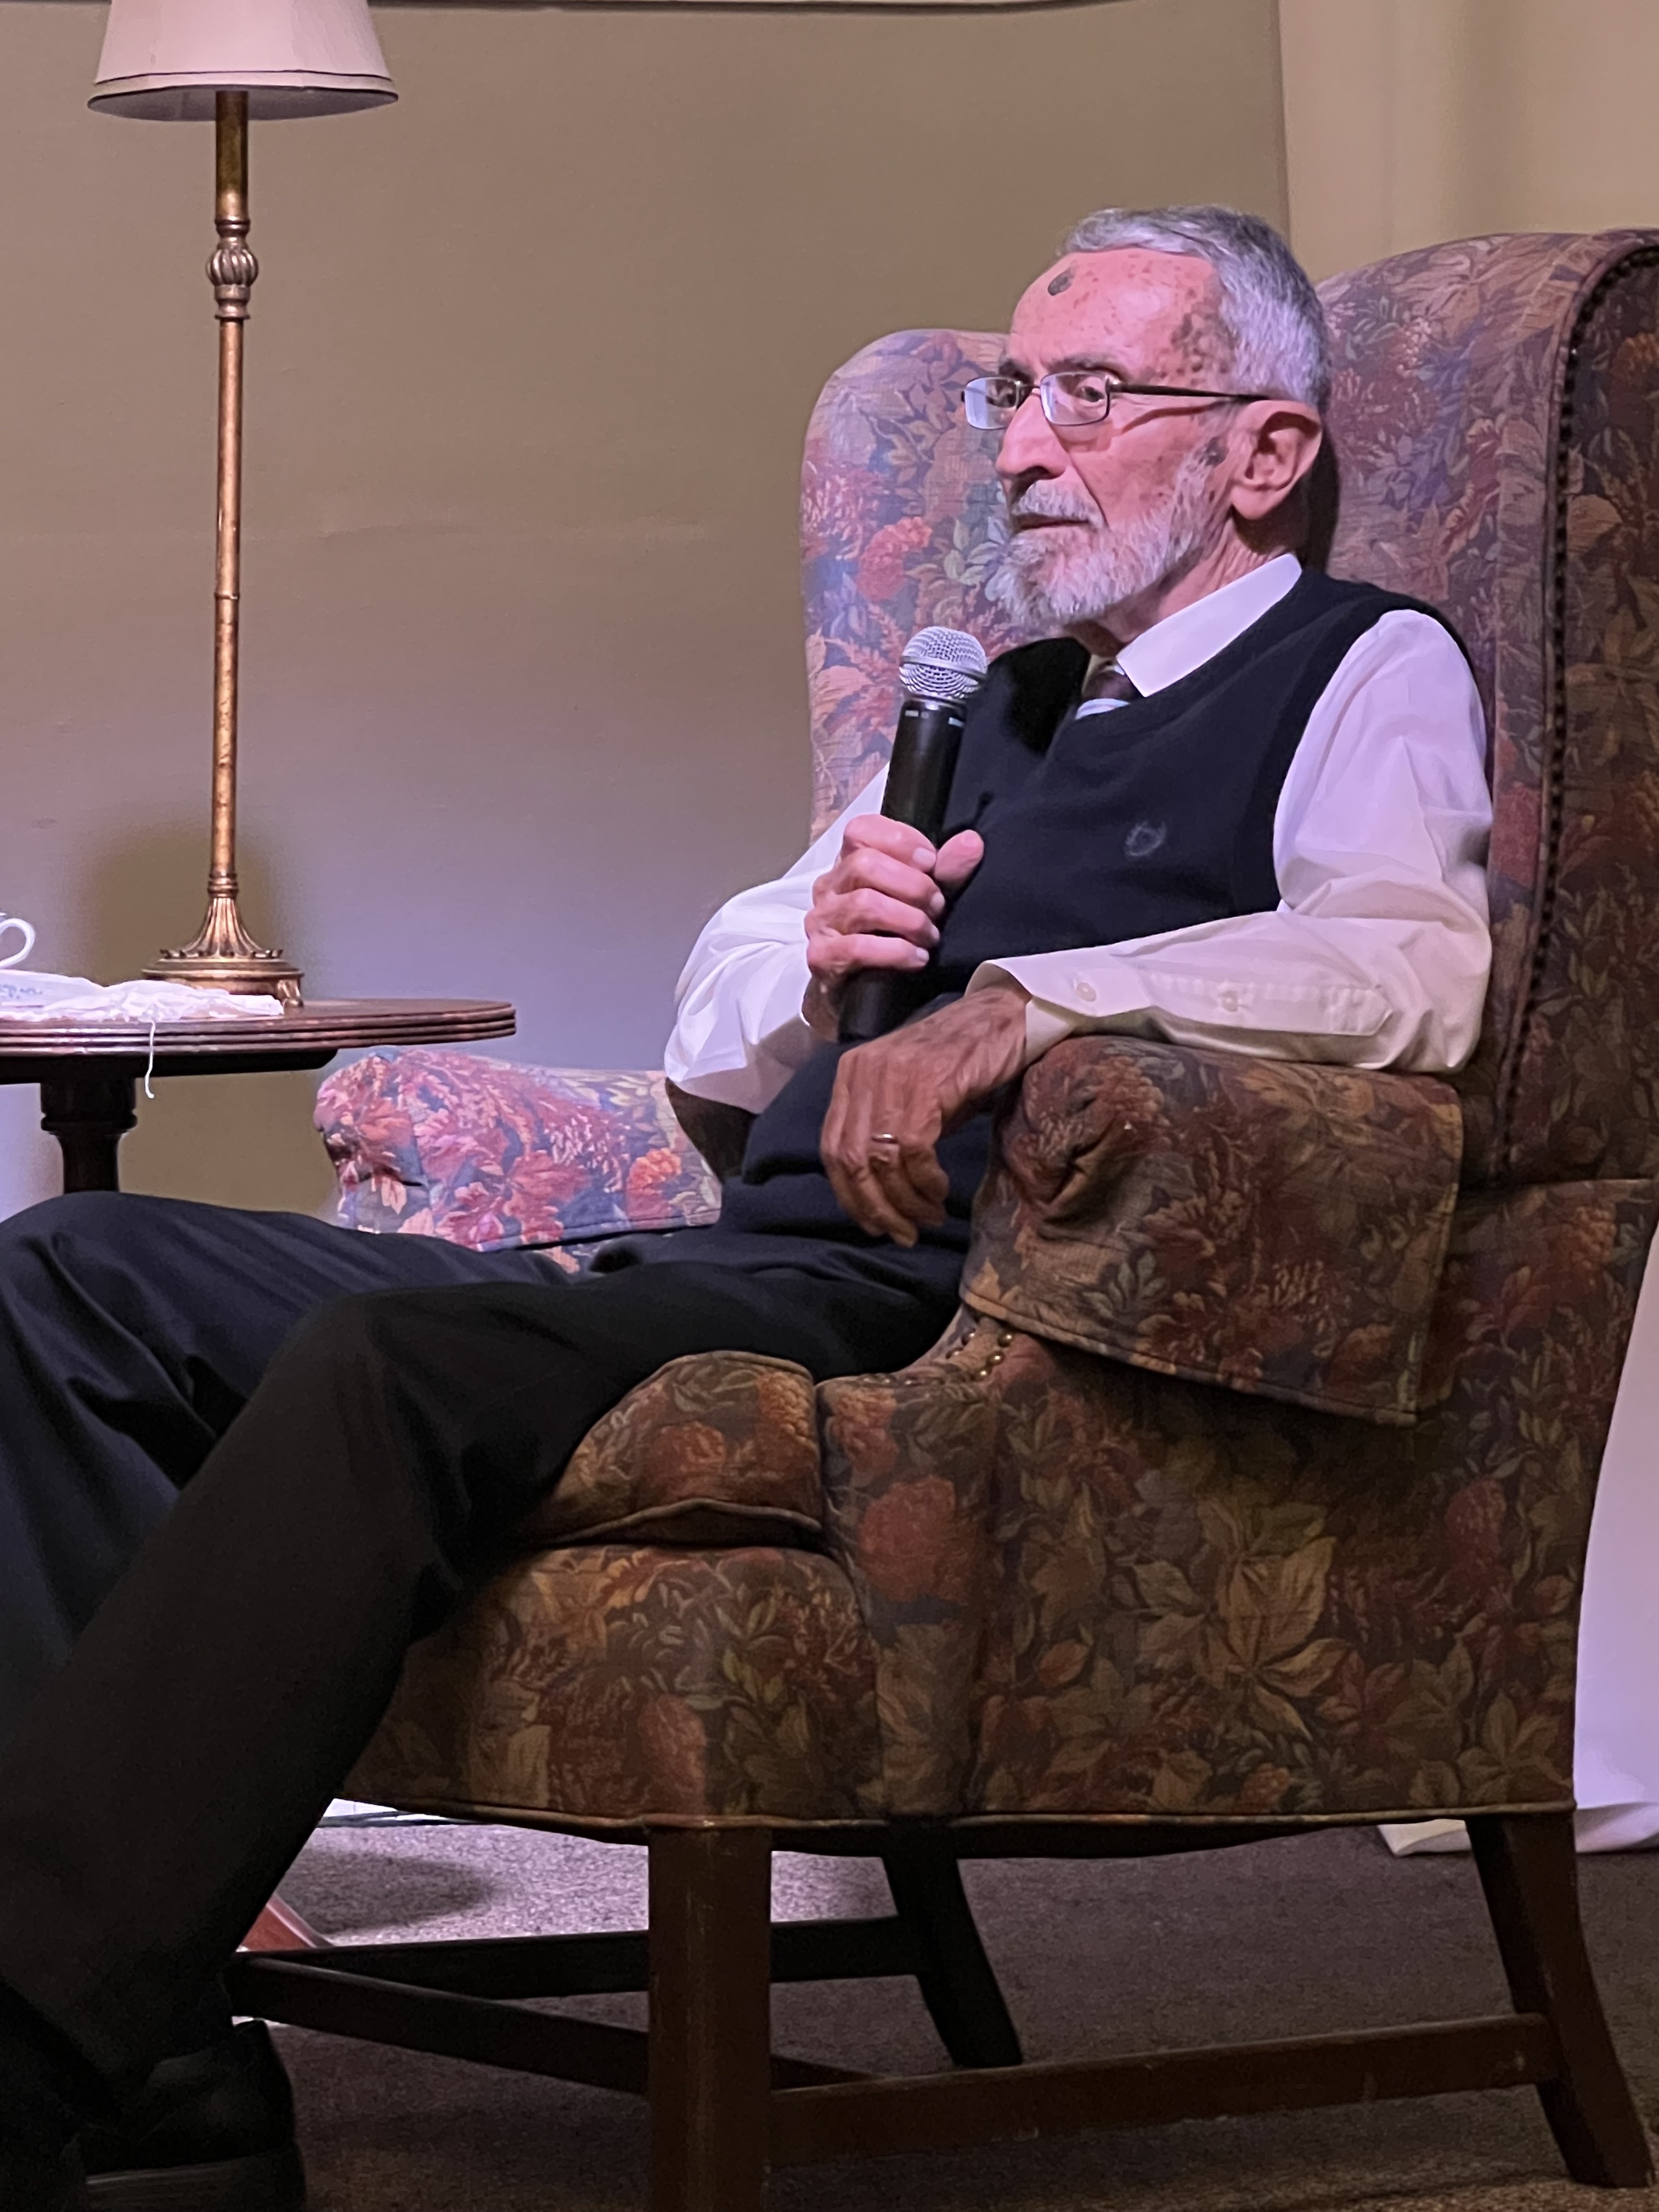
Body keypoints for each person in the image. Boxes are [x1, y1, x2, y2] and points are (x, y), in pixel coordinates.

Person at [0, 204, 1489, 2210]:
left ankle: (21, 2057)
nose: (1023, 448)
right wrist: (821, 954)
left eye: (1091, 396)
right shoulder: (983, 704)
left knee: (385, 1360)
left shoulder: (1359, 666)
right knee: (66, 1276)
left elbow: (1414, 966)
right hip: (731, 1256)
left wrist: (1030, 1000)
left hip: (958, 1310)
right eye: (1013, 396)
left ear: (1263, 452)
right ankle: (165, 2064)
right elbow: (713, 1034)